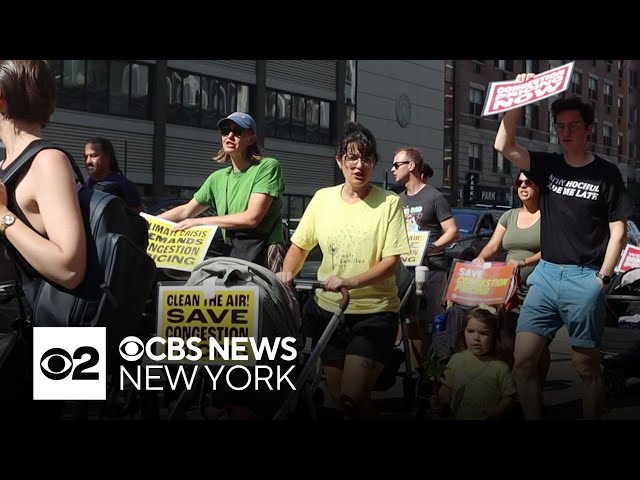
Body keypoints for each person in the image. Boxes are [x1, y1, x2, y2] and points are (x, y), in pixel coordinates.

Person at [494, 85, 632, 420]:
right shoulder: (548, 165)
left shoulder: (606, 173)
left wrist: (602, 278)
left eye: (573, 126)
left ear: (588, 129)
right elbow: (503, 145)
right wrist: (519, 101)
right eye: (561, 126)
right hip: (545, 277)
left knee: (586, 368)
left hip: (584, 278)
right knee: (523, 361)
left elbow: (619, 232)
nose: (566, 132)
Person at [276, 122, 410, 419]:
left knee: (352, 397)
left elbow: (391, 263)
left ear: (375, 163)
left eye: (366, 158)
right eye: (351, 157)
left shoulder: (389, 203)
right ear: (340, 161)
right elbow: (300, 246)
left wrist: (350, 281)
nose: (359, 165)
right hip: (329, 313)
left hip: (374, 314)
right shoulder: (323, 199)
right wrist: (287, 273)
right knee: (339, 400)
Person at [0, 60, 87, 418]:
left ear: (1, 100)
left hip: (53, 336)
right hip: (24, 332)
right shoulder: (10, 164)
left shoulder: (48, 161)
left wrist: (3, 217)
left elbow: (70, 268)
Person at [159, 112, 286, 273]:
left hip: (266, 249)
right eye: (226, 131)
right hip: (233, 250)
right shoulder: (217, 178)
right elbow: (186, 210)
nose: (230, 136)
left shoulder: (267, 167)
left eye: (238, 131)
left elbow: (252, 218)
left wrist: (198, 222)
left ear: (251, 139)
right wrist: (146, 222)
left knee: (267, 297)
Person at [472, 169, 550, 386]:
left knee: (538, 344)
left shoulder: (548, 216)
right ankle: (514, 392)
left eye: (528, 182)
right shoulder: (509, 216)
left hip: (538, 288)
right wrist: (480, 258)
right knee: (508, 341)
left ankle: (538, 390)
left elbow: (552, 249)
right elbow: (493, 245)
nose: (523, 186)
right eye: (519, 182)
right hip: (508, 289)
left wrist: (524, 263)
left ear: (538, 186)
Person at [391, 147, 459, 361]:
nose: (392, 169)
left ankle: (437, 367)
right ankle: (421, 371)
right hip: (405, 270)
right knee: (408, 321)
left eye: (396, 165)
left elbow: (452, 232)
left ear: (411, 166)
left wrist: (432, 247)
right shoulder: (397, 199)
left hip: (431, 269)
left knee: (428, 323)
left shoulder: (433, 196)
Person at [430, 307, 516, 420]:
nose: (476, 338)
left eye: (483, 333)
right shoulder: (456, 360)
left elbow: (508, 397)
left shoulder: (500, 367)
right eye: (470, 331)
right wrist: (438, 401)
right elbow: (446, 391)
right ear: (463, 332)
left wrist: (497, 411)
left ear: (494, 336)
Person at [84, 137, 145, 213]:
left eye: (94, 156)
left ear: (108, 157)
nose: (88, 161)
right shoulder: (84, 185)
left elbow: (139, 216)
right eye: (86, 157)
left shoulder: (125, 185)